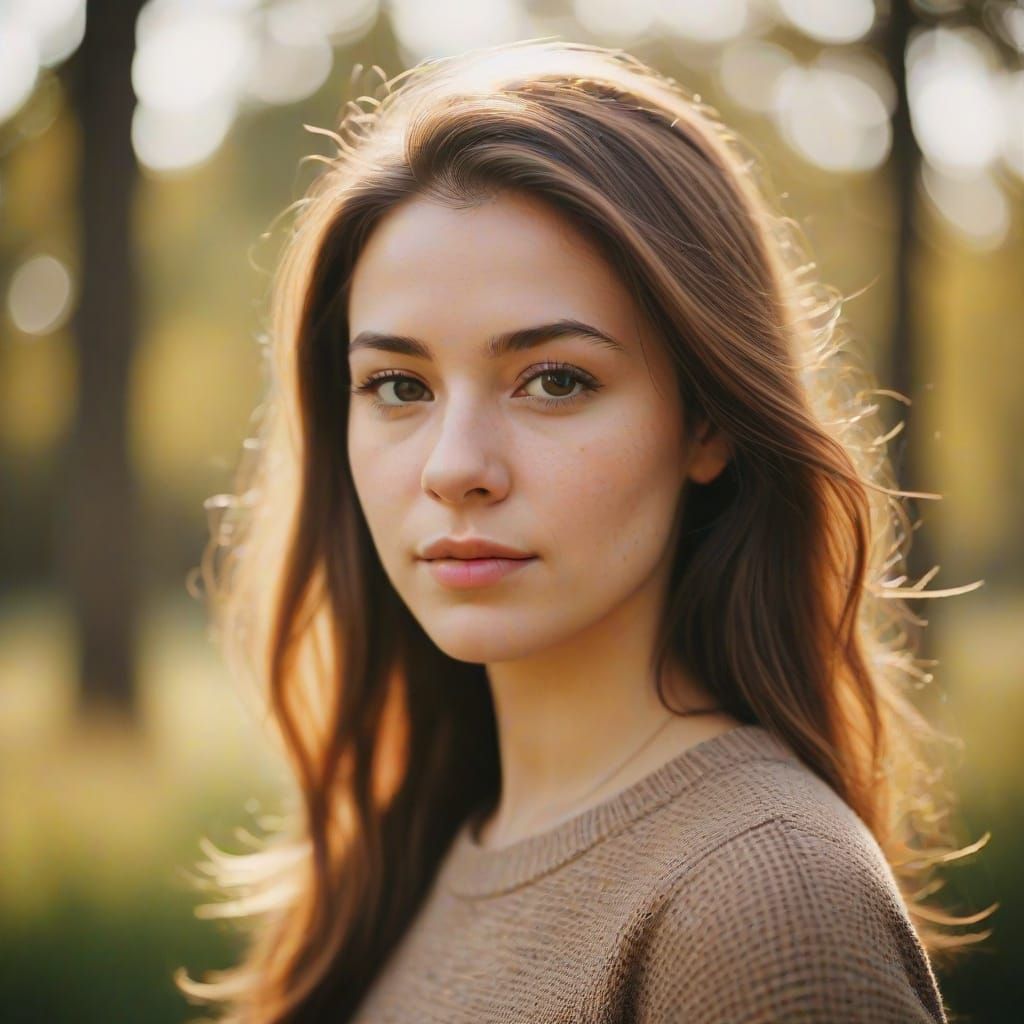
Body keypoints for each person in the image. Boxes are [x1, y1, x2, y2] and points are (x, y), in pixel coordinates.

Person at [176, 38, 993, 1023]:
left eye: (555, 380)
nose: (452, 467)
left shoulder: (765, 902)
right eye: (399, 386)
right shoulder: (404, 856)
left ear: (706, 422)